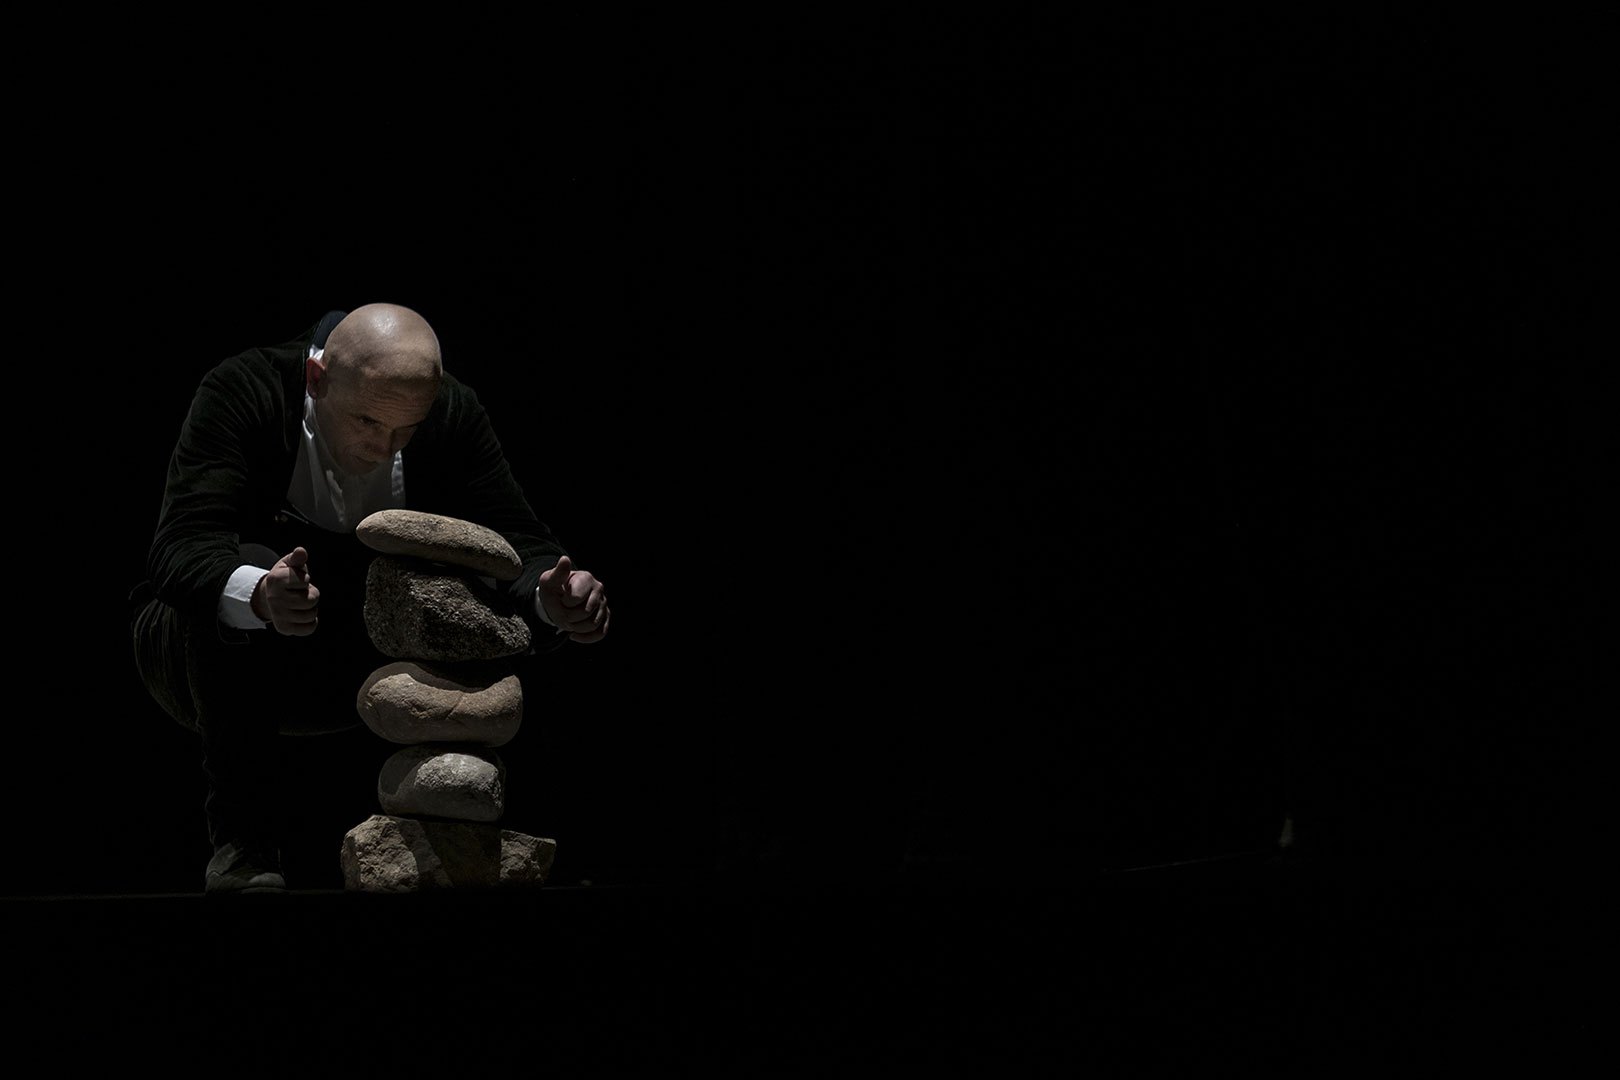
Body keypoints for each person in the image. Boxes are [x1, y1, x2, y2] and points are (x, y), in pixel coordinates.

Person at [130, 303, 610, 894]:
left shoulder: (450, 411)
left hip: (353, 654)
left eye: (406, 429)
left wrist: (552, 593)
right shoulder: (244, 388)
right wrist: (257, 594)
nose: (384, 447)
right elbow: (180, 545)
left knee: (471, 603)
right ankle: (243, 849)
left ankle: (471, 846)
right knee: (238, 569)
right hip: (202, 660)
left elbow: (519, 538)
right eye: (366, 421)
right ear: (316, 378)